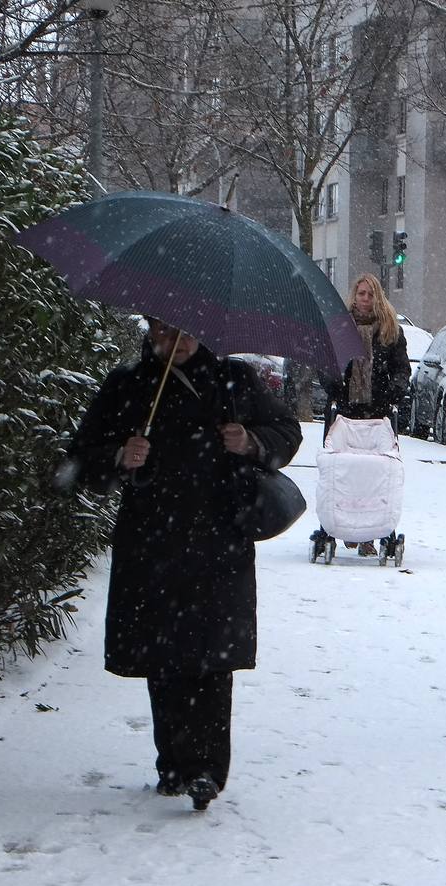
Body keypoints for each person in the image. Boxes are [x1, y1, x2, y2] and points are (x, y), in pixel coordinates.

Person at [66, 317, 302, 809]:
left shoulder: (234, 379)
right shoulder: (129, 385)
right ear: (150, 329)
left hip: (219, 540)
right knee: (163, 655)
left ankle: (207, 772)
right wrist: (119, 455)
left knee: (214, 657)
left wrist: (251, 442)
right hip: (152, 540)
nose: (176, 343)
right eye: (165, 333)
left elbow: (286, 429)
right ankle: (172, 763)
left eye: (186, 332)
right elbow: (77, 461)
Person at [322, 273, 409, 555]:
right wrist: (333, 385)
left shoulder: (390, 330)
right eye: (361, 294)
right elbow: (328, 364)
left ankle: (370, 533)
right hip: (346, 409)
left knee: (375, 472)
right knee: (345, 470)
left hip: (378, 409)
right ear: (354, 295)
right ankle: (344, 524)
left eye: (371, 294)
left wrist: (395, 389)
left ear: (378, 297)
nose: (366, 299)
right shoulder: (340, 328)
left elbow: (401, 368)